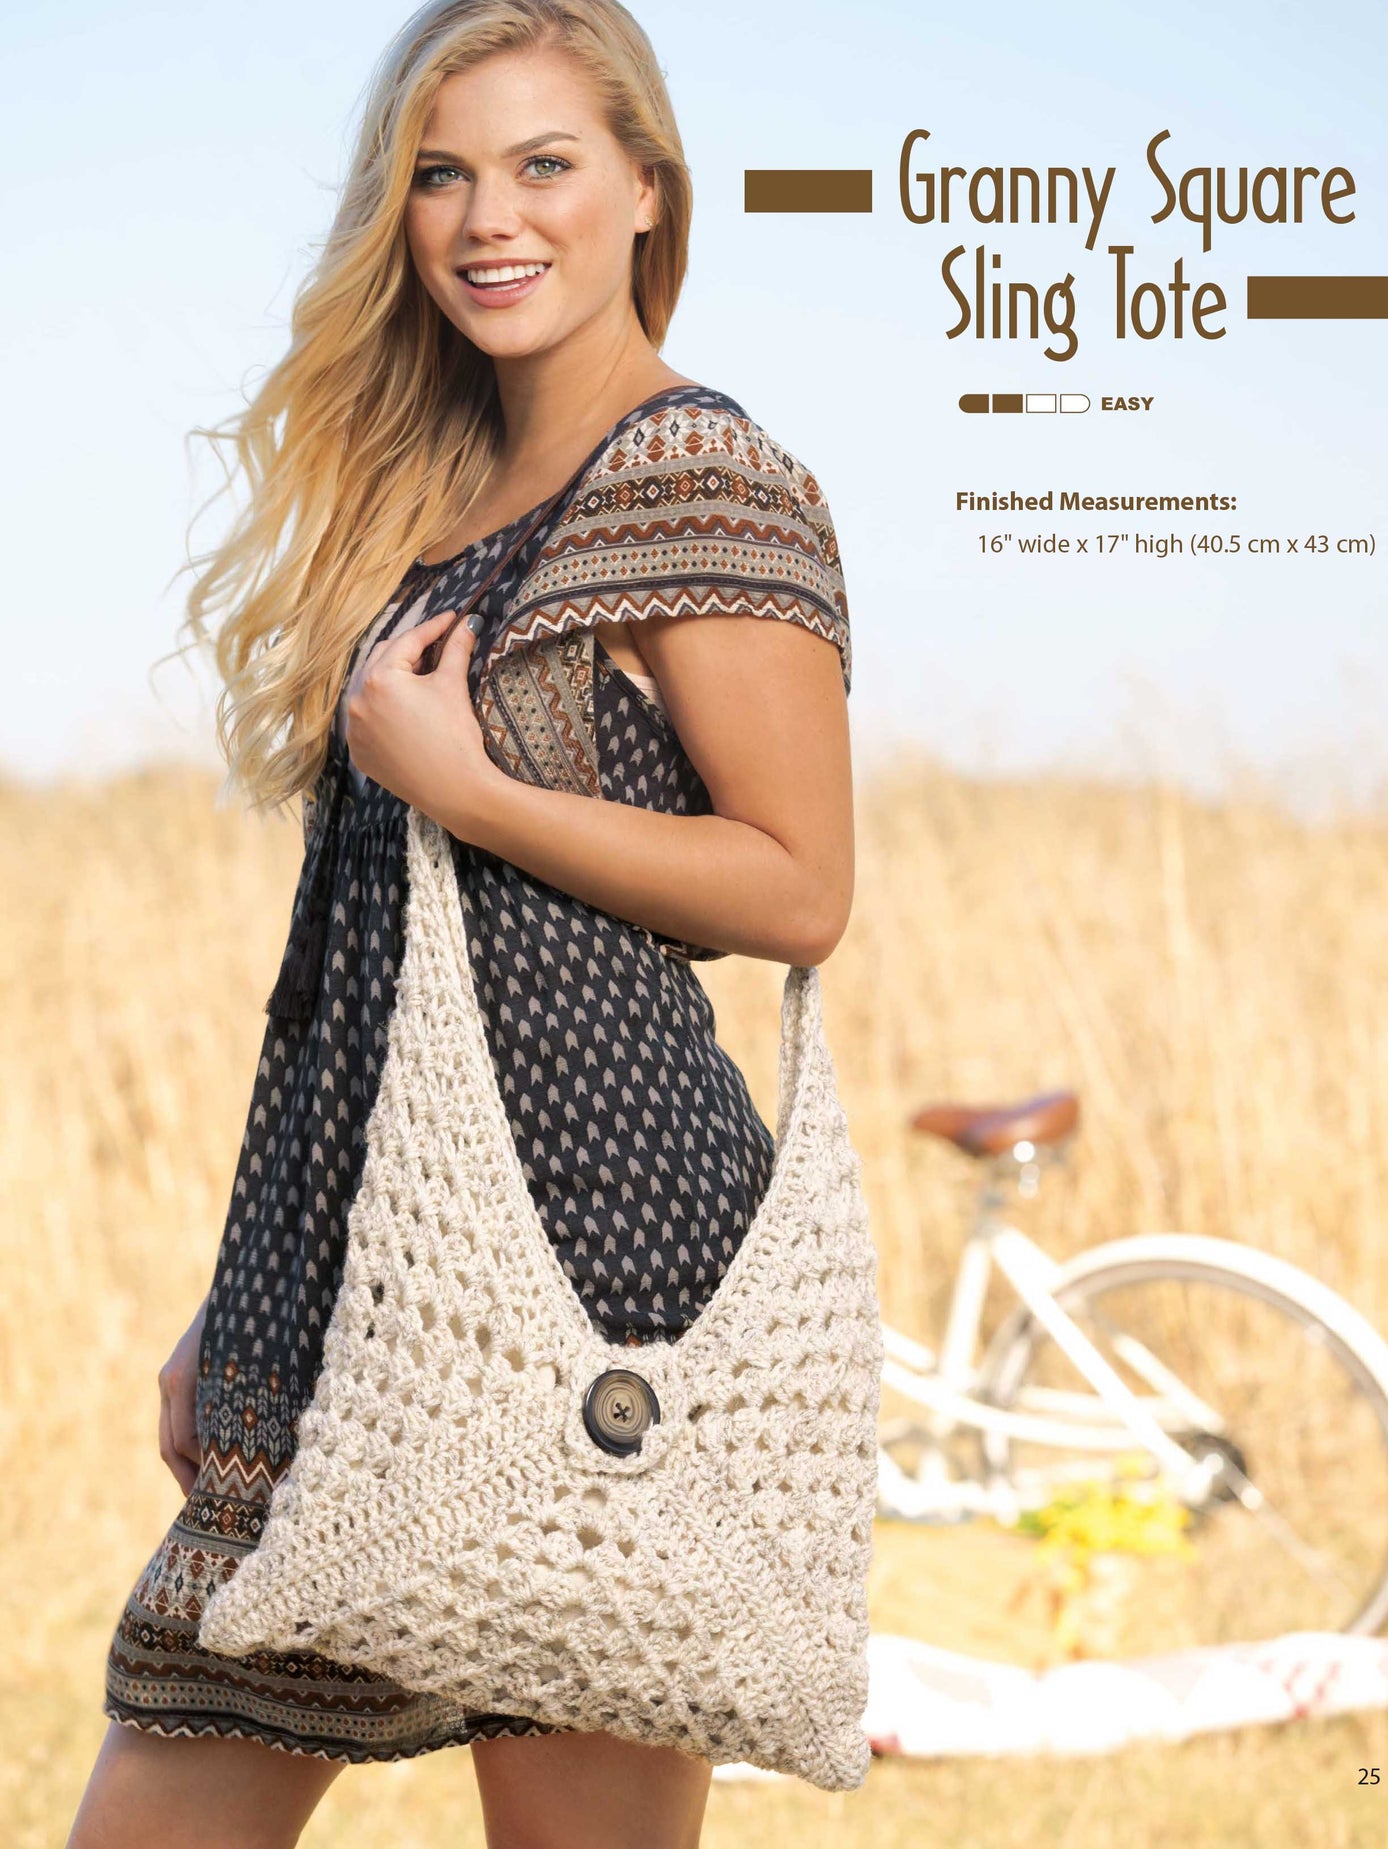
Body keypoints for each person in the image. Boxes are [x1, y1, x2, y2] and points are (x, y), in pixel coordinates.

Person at [68, 2, 854, 1844]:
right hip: (363, 1283)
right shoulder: (437, 512)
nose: (491, 216)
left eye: (544, 164)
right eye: (442, 173)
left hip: (604, 1292)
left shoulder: (701, 478)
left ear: (647, 194)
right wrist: (243, 1294)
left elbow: (799, 883)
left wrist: (476, 787)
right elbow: (360, 972)